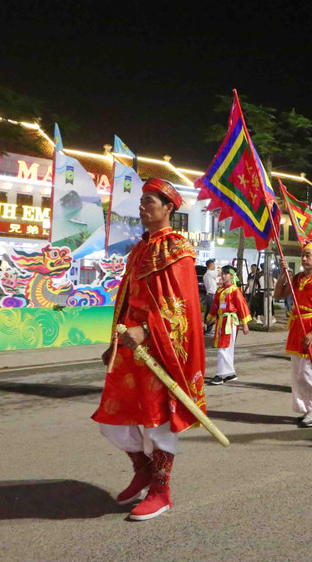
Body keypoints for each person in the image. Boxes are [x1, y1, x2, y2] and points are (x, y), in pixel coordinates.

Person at [92, 178, 206, 521]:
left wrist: (147, 331)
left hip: (160, 349)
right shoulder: (140, 249)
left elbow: (183, 307)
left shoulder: (177, 249)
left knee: (158, 423)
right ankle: (142, 470)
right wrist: (115, 342)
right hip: (129, 348)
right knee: (114, 420)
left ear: (168, 208)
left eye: (149, 202)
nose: (142, 208)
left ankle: (161, 490)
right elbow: (126, 299)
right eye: (141, 202)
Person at [273, 243, 312, 427]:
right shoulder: (297, 278)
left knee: (308, 372)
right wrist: (283, 275)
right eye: (303, 255)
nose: (305, 259)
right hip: (296, 326)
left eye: (309, 255)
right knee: (297, 373)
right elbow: (278, 295)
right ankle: (307, 408)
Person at [205, 265, 251, 385]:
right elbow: (214, 307)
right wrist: (207, 322)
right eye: (223, 273)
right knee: (227, 348)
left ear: (231, 276)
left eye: (226, 274)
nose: (223, 275)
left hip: (229, 322)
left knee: (223, 347)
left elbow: (242, 306)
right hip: (221, 321)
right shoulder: (219, 290)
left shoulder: (235, 290)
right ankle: (230, 374)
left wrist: (245, 324)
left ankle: (220, 375)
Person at [202, 259, 218, 332]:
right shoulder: (209, 273)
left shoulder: (206, 274)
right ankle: (208, 329)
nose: (214, 266)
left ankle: (206, 329)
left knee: (208, 313)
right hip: (211, 296)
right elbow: (218, 274)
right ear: (211, 265)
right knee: (211, 313)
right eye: (213, 265)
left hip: (209, 295)